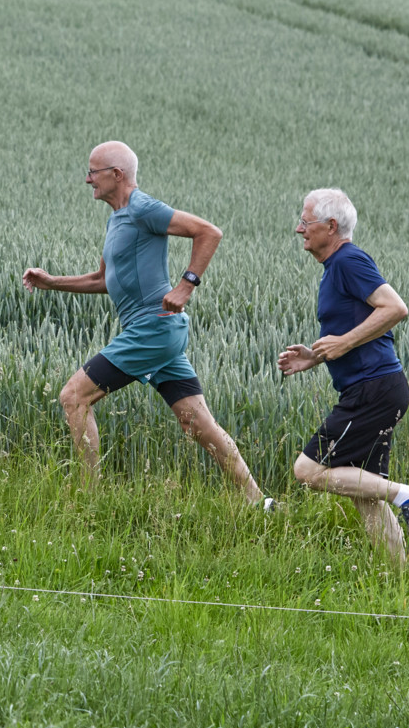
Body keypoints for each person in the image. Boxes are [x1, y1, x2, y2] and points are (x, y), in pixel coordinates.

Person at [23, 141, 269, 502]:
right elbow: (103, 281)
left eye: (93, 172)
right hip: (159, 333)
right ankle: (259, 502)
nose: (87, 179)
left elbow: (209, 232)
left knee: (74, 396)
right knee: (197, 424)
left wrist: (186, 286)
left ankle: (88, 499)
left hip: (152, 329)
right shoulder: (117, 218)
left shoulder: (142, 208)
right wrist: (52, 282)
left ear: (117, 174)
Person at [277, 187, 409, 561]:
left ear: (331, 227)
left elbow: (395, 308)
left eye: (306, 222)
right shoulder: (336, 267)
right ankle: (399, 585)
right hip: (378, 388)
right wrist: (314, 357)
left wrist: (344, 344)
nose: (299, 229)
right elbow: (353, 326)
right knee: (364, 490)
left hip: (373, 389)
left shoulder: (349, 261)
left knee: (308, 470)